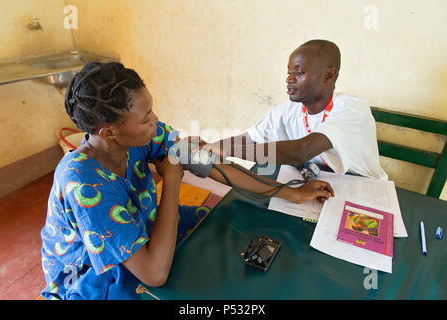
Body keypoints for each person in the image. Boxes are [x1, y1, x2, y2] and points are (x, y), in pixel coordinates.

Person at [40, 62, 334, 300]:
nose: (155, 121)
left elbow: (209, 163)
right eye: (145, 119)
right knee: (162, 286)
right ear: (108, 132)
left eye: (151, 110)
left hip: (142, 222)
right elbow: (154, 273)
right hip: (91, 268)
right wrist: (171, 179)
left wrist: (285, 192)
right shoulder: (83, 183)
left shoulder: (142, 137)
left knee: (223, 227)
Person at [200, 39, 387, 180]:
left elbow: (301, 150)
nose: (289, 79)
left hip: (361, 191)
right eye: (289, 72)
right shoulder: (287, 111)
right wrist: (211, 147)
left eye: (299, 72)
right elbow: (247, 138)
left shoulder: (351, 109)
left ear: (329, 75)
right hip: (316, 185)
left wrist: (232, 151)